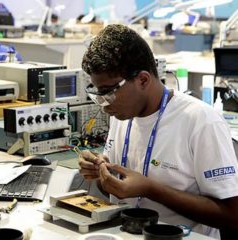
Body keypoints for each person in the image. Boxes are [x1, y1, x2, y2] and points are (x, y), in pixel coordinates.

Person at [79, 24, 238, 239]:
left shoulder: (201, 121)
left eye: (109, 92)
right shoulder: (122, 114)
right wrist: (101, 174)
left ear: (143, 80)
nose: (103, 104)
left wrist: (151, 189)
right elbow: (117, 191)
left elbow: (231, 216)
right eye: (98, 94)